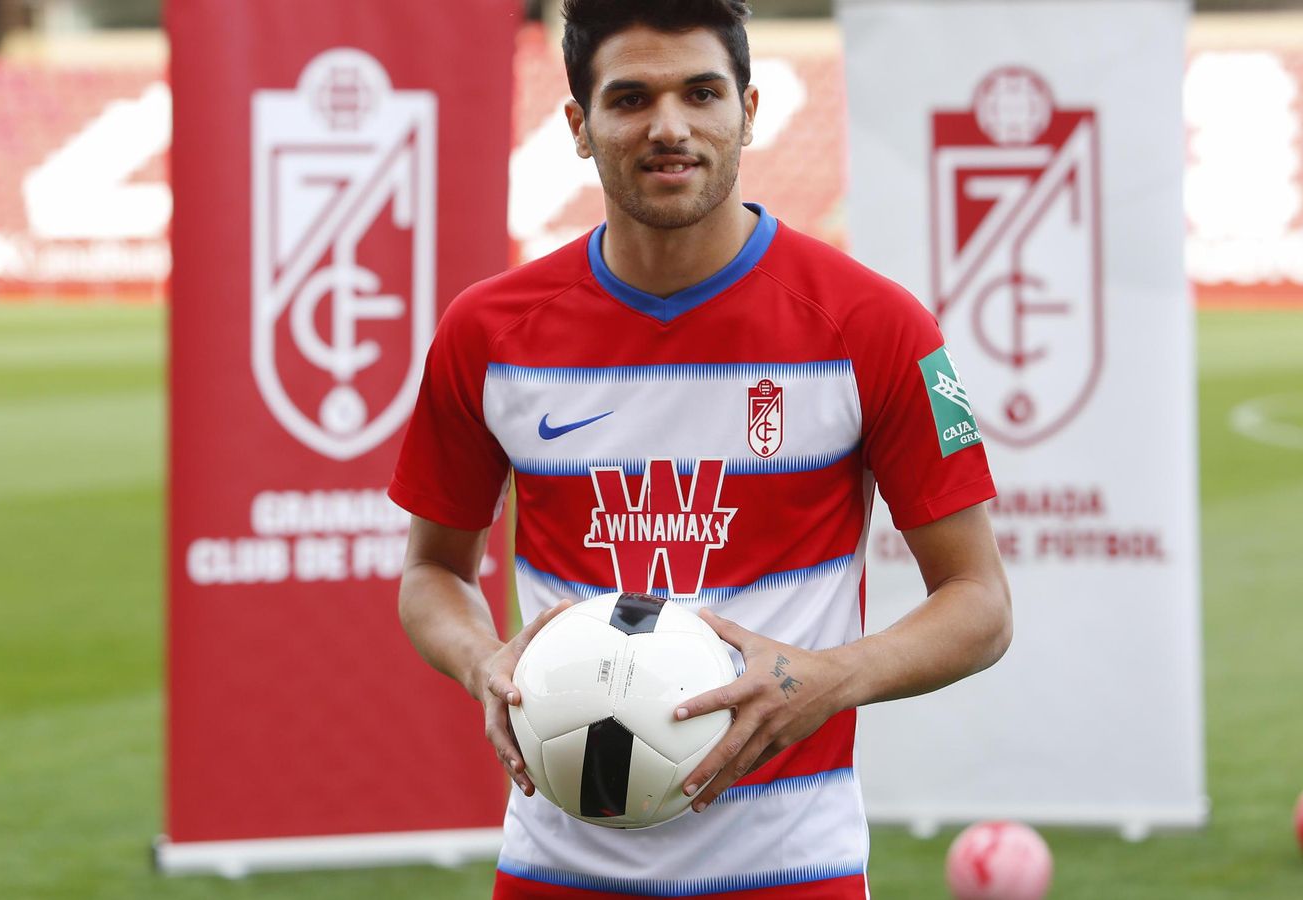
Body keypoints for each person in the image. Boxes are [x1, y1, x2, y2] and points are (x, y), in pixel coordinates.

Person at [390, 0, 1012, 896]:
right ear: (579, 125)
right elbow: (432, 574)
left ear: (749, 112)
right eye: (631, 98)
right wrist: (482, 659)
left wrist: (827, 678)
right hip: (556, 865)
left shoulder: (873, 326)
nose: (669, 128)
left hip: (795, 867)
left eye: (702, 93)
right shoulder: (489, 331)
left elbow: (980, 603)